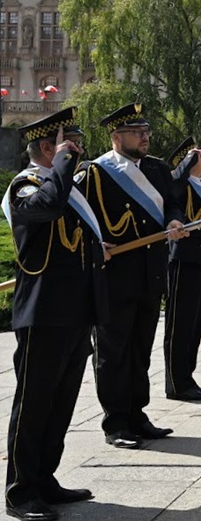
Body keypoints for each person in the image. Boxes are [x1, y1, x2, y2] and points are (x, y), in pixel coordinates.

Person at [1, 108, 104, 521]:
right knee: (34, 404)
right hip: (42, 314)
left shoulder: (66, 187)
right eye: (71, 144)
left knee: (61, 403)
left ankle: (44, 478)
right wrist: (61, 162)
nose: (78, 151)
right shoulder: (24, 187)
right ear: (47, 147)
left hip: (75, 312)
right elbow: (46, 206)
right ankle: (21, 491)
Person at [77, 103, 187, 449]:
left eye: (146, 132)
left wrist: (173, 220)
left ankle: (138, 414)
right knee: (113, 351)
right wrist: (96, 244)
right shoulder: (96, 173)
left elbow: (173, 202)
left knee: (141, 348)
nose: (145, 138)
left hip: (150, 272)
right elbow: (78, 218)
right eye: (137, 133)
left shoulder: (156, 169)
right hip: (114, 275)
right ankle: (116, 422)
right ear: (116, 137)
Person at [163, 137, 201, 402]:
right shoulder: (182, 186)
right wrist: (185, 163)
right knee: (180, 324)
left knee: (195, 324)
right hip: (184, 259)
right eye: (199, 154)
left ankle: (188, 377)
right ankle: (176, 382)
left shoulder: (199, 186)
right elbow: (173, 184)